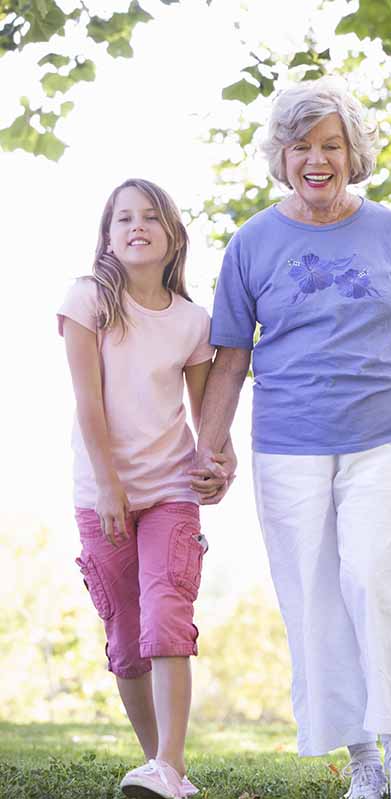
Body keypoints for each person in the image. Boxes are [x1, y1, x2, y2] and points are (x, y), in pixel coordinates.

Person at [191, 80, 391, 799]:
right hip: (286, 443)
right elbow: (230, 358)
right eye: (302, 147)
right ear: (281, 157)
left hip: (381, 435)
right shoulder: (253, 241)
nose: (317, 160)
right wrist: (212, 446)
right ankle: (361, 757)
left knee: (372, 574)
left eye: (330, 145)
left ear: (354, 154)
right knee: (313, 594)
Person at [60, 178, 232, 799]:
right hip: (101, 491)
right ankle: (158, 767)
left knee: (166, 614)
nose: (137, 227)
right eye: (124, 218)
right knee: (125, 632)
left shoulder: (192, 321)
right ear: (107, 236)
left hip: (170, 491)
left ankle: (171, 765)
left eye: (151, 218)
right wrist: (108, 486)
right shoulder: (88, 301)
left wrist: (220, 458)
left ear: (172, 236)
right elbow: (88, 402)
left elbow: (205, 409)